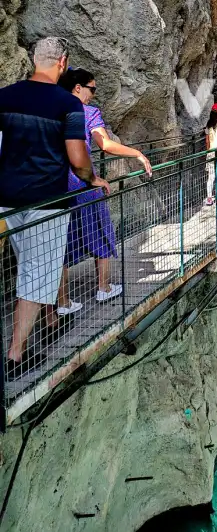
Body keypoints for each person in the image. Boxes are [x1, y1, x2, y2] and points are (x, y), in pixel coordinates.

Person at [0, 37, 110, 379]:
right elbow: (78, 159)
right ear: (62, 62)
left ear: (35, 60)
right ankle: (15, 356)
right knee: (38, 274)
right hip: (47, 201)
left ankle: (50, 322)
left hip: (7, 200)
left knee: (27, 268)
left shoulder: (5, 96)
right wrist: (92, 179)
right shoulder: (67, 104)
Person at [57, 68, 152, 313]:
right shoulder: (88, 113)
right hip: (83, 183)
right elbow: (106, 144)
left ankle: (64, 302)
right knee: (101, 229)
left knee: (60, 242)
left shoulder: (52, 111)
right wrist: (138, 154)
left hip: (56, 186)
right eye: (92, 89)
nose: (93, 95)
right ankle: (104, 287)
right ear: (78, 88)